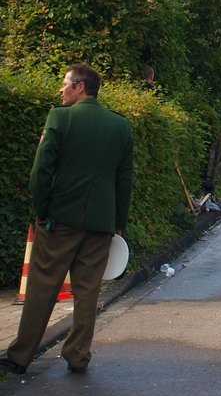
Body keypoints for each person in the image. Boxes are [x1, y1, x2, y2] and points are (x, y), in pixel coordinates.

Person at [1, 64, 133, 376]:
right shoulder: (120, 126)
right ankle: (77, 356)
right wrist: (117, 223)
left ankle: (20, 356)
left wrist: (42, 209)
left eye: (65, 85)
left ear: (80, 88)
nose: (61, 91)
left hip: (60, 217)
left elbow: (41, 170)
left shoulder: (60, 117)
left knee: (42, 285)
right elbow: (124, 179)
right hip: (101, 222)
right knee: (87, 290)